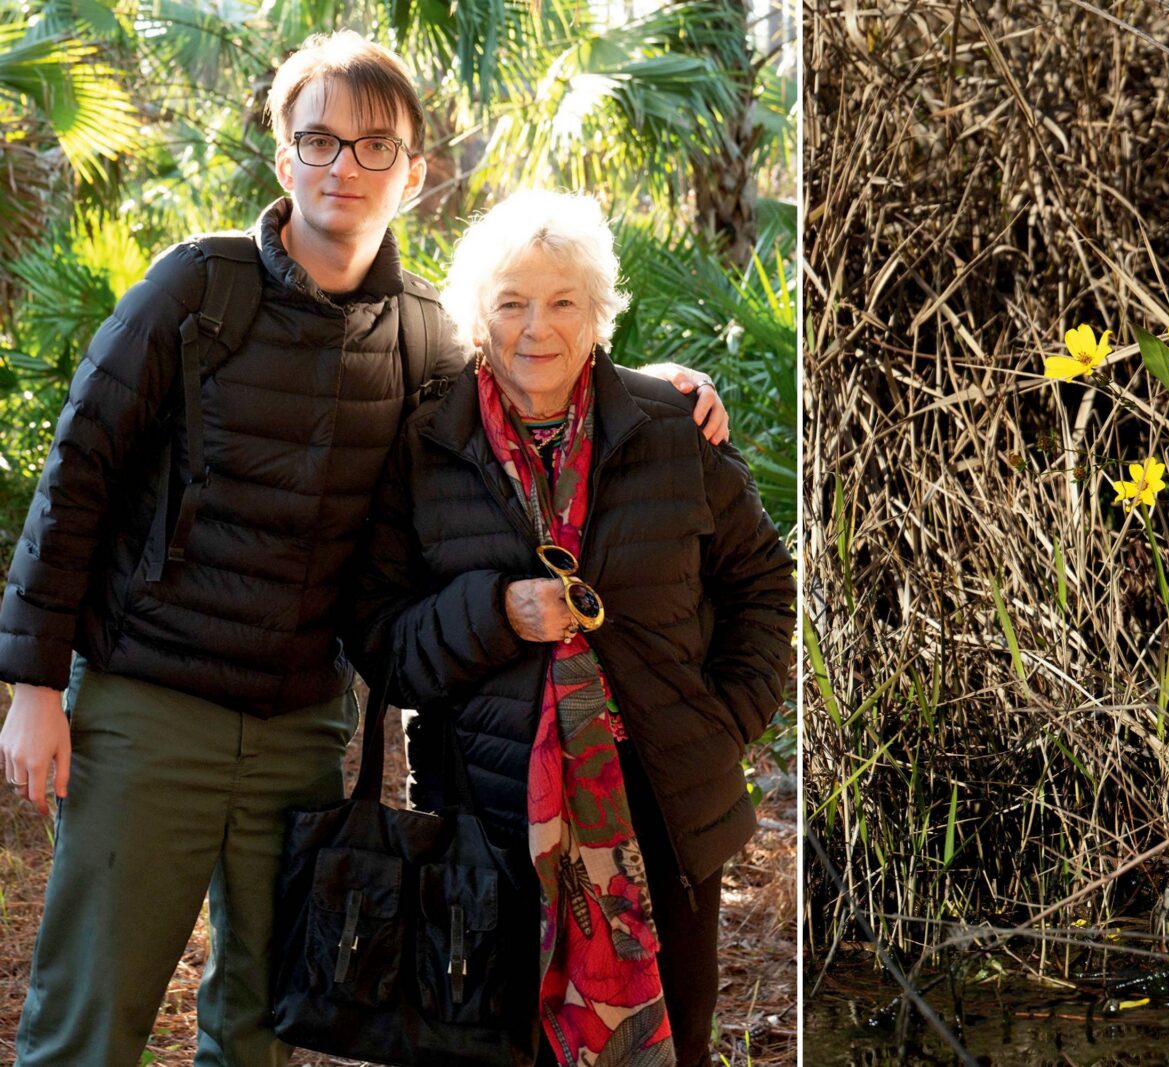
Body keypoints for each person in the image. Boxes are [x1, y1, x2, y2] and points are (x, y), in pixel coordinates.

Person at [0, 32, 729, 1067]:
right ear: (281, 155)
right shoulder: (192, 291)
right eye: (320, 140)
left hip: (301, 727)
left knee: (260, 1020)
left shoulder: (422, 334)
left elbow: (521, 375)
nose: (344, 166)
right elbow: (78, 472)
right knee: (90, 1018)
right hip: (149, 708)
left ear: (415, 172)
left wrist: (650, 385)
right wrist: (33, 683)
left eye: (373, 145)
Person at [348, 188, 794, 1067]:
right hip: (486, 825)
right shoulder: (425, 446)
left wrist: (727, 720)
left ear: (598, 313)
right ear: (479, 316)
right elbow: (378, 637)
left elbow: (763, 582)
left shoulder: (674, 427)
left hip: (666, 817)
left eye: (561, 302)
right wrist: (498, 613)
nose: (535, 327)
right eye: (511, 301)